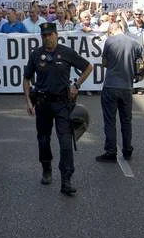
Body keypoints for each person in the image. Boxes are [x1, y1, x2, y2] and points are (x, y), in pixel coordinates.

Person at [23, 21, 93, 196]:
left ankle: (66, 179)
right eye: (44, 36)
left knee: (65, 143)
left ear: (56, 35)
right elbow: (26, 79)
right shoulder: (36, 55)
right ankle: (46, 167)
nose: (47, 38)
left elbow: (88, 67)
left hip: (63, 104)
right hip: (43, 103)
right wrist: (28, 102)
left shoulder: (66, 53)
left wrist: (76, 85)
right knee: (43, 140)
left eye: (50, 35)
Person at [96, 21, 144, 163]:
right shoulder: (135, 43)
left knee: (110, 120)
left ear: (112, 31)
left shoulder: (109, 42)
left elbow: (104, 63)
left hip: (111, 85)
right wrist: (137, 73)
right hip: (127, 87)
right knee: (126, 120)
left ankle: (111, 151)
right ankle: (127, 149)